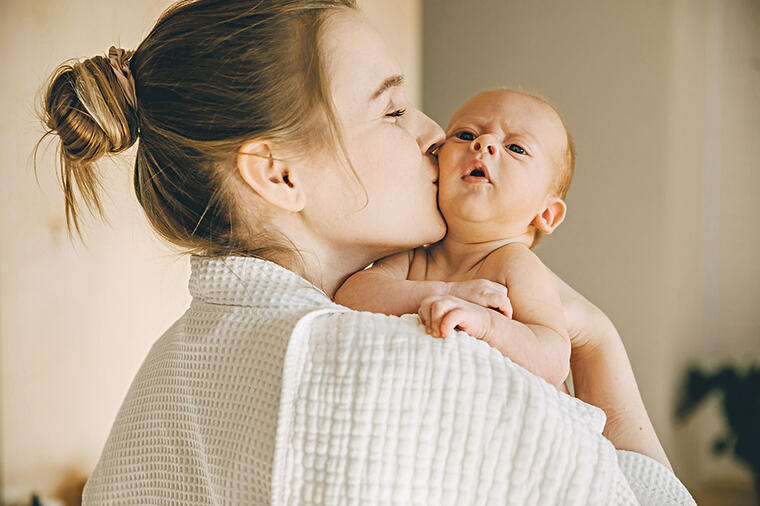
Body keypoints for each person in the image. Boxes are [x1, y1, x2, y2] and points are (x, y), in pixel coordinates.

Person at [36, 0, 696, 504]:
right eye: (392, 110)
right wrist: (600, 342)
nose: (437, 135)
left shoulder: (171, 373)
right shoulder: (434, 361)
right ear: (278, 172)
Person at [336, 88, 575, 391]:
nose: (483, 143)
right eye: (464, 135)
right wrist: (446, 292)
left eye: (516, 148)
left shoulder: (515, 264)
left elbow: (553, 360)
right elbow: (352, 295)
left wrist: (487, 325)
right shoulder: (416, 255)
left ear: (547, 214)